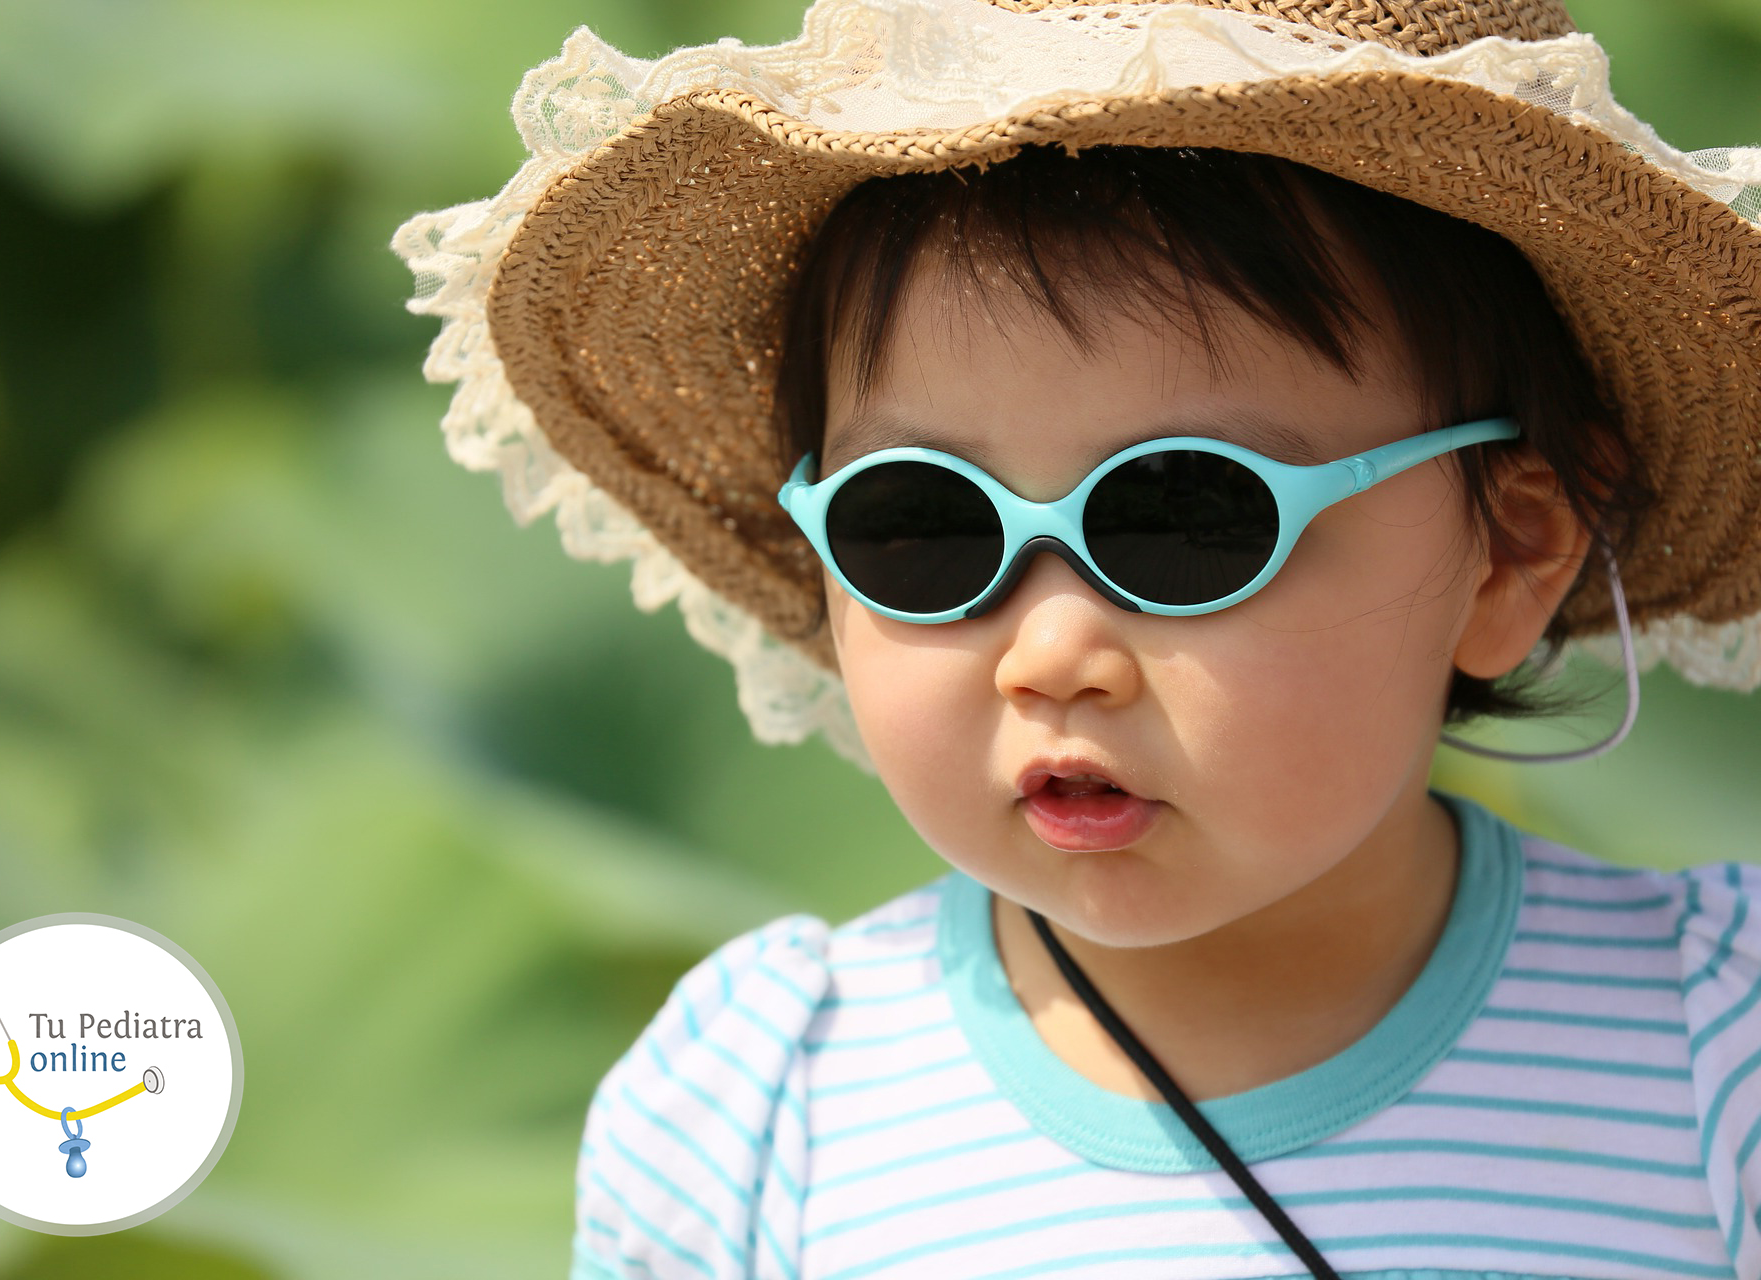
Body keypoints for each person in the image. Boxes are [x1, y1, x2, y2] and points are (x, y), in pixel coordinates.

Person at [392, 1, 1761, 1276]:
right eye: (922, 521)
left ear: (1510, 549)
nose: (1049, 654)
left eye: (1184, 516)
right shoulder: (756, 1107)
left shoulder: (1717, 1047)